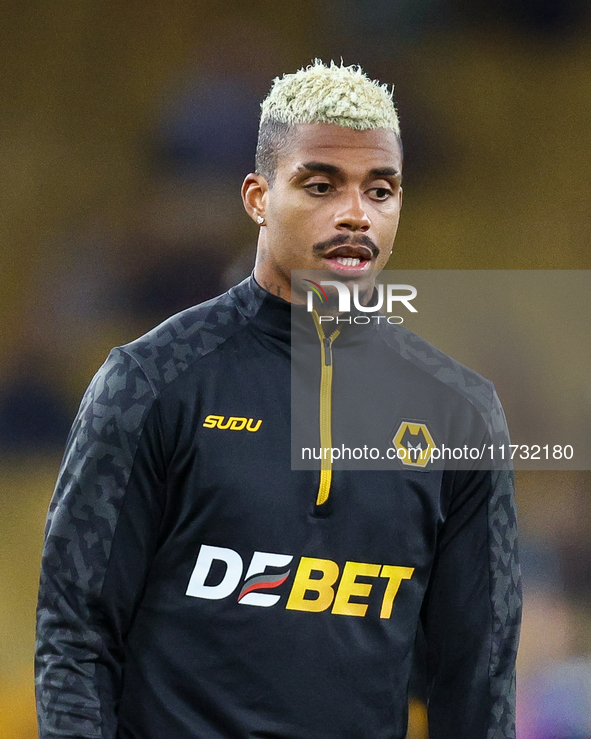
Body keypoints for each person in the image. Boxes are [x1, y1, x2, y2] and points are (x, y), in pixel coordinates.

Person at [36, 61, 521, 739]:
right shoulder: (150, 379)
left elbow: (476, 680)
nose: (355, 213)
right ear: (257, 196)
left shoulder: (459, 411)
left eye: (380, 190)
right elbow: (75, 635)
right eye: (320, 185)